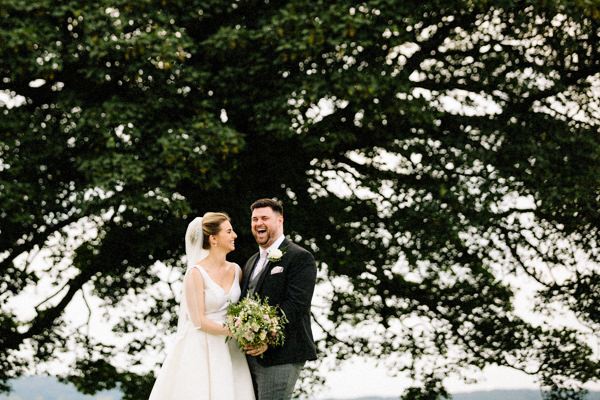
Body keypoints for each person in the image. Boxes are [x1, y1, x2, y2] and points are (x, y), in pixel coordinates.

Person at [149, 212, 255, 400]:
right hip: (202, 347)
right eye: (229, 231)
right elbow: (198, 320)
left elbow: (240, 307)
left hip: (231, 349)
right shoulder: (195, 273)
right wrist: (233, 330)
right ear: (214, 239)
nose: (235, 236)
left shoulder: (236, 270)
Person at [241, 199, 318, 400]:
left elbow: (296, 305)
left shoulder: (300, 257)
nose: (259, 223)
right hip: (249, 356)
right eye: (254, 219)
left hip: (282, 354)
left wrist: (268, 338)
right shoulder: (251, 262)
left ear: (280, 220)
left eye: (265, 218)